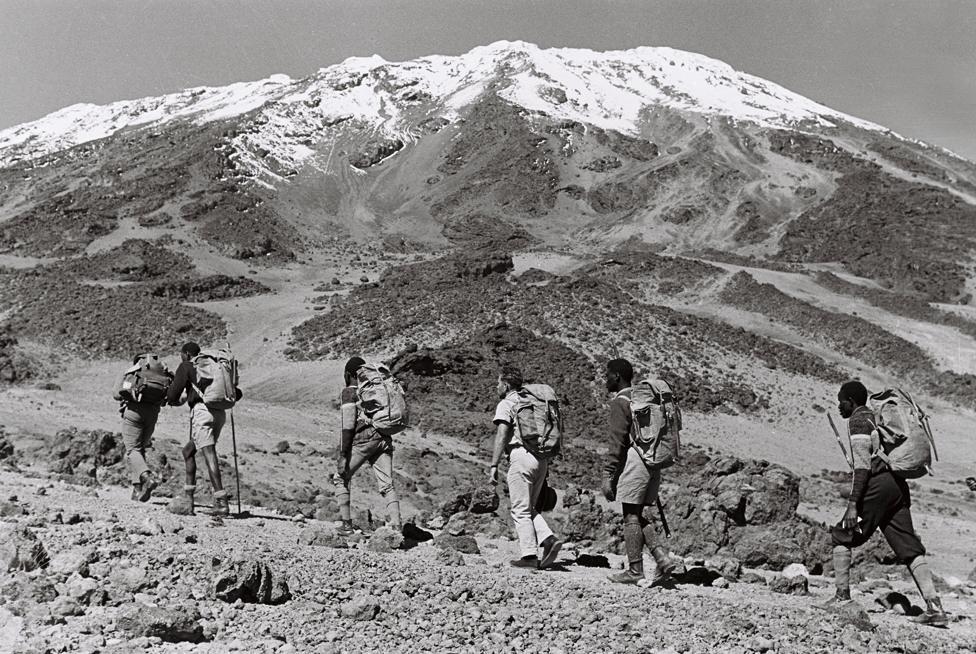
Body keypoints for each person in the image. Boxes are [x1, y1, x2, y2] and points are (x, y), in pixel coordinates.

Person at [821, 380, 947, 627]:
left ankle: (842, 598)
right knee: (908, 545)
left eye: (840, 400)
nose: (838, 406)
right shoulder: (876, 419)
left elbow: (862, 467)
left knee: (843, 534)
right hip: (897, 487)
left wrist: (853, 504)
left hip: (877, 487)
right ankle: (935, 608)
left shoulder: (858, 421)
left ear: (851, 401)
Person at [602, 358, 675, 585]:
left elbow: (617, 442)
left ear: (616, 376)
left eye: (607, 375)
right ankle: (662, 558)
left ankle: (635, 570)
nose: (606, 380)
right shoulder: (640, 399)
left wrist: (608, 474)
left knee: (630, 515)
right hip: (652, 460)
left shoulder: (620, 402)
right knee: (637, 514)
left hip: (636, 461)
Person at [489, 365, 563, 569]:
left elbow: (502, 434)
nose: (496, 387)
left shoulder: (507, 403)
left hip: (521, 457)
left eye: (498, 383)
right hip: (541, 459)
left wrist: (494, 465)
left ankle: (529, 556)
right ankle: (548, 539)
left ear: (505, 384)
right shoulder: (532, 401)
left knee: (520, 509)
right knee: (528, 507)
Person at [166, 342, 241, 516]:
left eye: (181, 355)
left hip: (202, 413)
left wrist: (174, 398)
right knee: (188, 451)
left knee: (209, 453)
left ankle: (221, 502)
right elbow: (237, 392)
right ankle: (188, 497)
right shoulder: (215, 366)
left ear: (185, 353)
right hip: (220, 413)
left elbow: (172, 395)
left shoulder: (187, 366)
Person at [332, 356, 401, 534]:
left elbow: (347, 428)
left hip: (363, 441)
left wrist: (343, 455)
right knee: (387, 484)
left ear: (348, 374)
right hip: (384, 438)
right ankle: (396, 527)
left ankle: (346, 526)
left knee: (340, 478)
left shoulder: (350, 392)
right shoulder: (374, 390)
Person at [111, 354, 166, 502]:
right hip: (153, 414)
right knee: (140, 450)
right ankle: (137, 490)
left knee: (132, 449)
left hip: (134, 413)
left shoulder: (130, 372)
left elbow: (116, 394)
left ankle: (146, 477)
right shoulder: (160, 374)